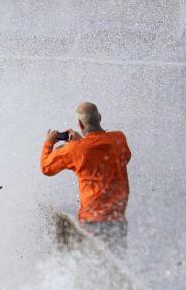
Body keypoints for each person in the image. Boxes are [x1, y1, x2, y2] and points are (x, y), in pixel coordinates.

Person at [40, 102, 132, 251]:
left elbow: (46, 168)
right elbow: (124, 158)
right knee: (116, 262)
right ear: (100, 118)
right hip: (117, 220)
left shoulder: (75, 149)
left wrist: (49, 143)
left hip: (92, 220)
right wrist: (81, 144)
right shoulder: (118, 139)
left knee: (94, 265)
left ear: (80, 124)